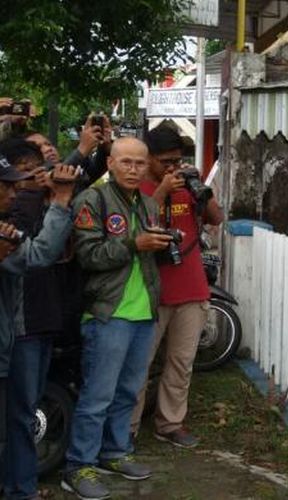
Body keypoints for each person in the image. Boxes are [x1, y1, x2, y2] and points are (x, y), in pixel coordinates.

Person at [62, 137, 174, 500]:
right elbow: (89, 255)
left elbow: (150, 251)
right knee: (97, 395)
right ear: (110, 163)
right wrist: (133, 244)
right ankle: (79, 467)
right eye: (126, 162)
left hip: (143, 312)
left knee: (127, 392)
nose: (133, 169)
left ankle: (115, 453)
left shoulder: (147, 203)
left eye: (140, 163)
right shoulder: (91, 200)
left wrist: (166, 244)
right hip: (108, 313)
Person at [130, 126, 224, 448]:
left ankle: (169, 423)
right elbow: (137, 224)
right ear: (149, 159)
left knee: (181, 364)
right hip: (151, 292)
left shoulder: (188, 186)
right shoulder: (137, 188)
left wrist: (201, 189)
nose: (172, 168)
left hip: (191, 288)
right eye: (165, 161)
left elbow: (216, 218)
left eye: (177, 161)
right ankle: (125, 428)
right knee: (138, 366)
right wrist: (162, 191)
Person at [0, 138, 81, 499]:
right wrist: (58, 199)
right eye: (9, 185)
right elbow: (39, 254)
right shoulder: (17, 214)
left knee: (18, 416)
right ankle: (20, 488)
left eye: (21, 181)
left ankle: (19, 485)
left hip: (37, 321)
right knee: (18, 416)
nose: (15, 191)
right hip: (21, 329)